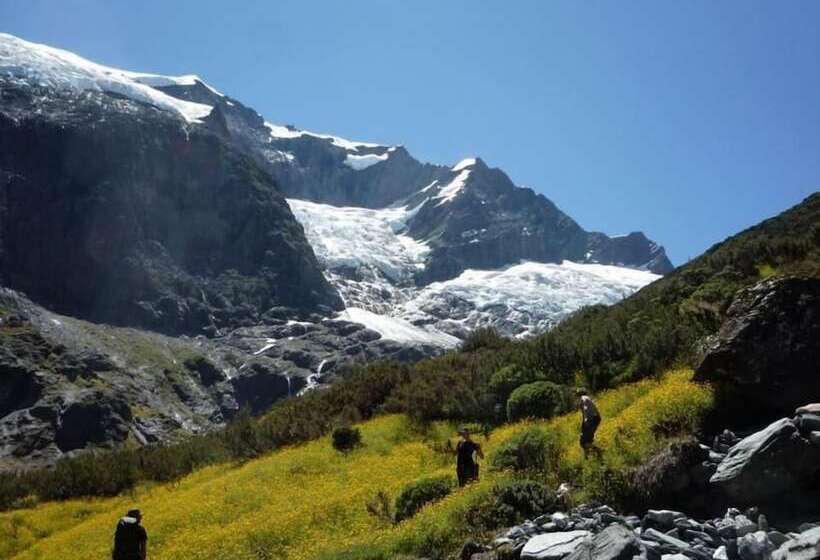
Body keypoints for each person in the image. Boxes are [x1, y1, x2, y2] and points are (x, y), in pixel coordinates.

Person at [578, 389, 601, 458]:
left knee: (583, 442)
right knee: (588, 440)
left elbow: (586, 409)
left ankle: (599, 451)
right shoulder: (587, 398)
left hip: (591, 419)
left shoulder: (583, 398)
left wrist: (586, 420)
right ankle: (587, 457)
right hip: (594, 418)